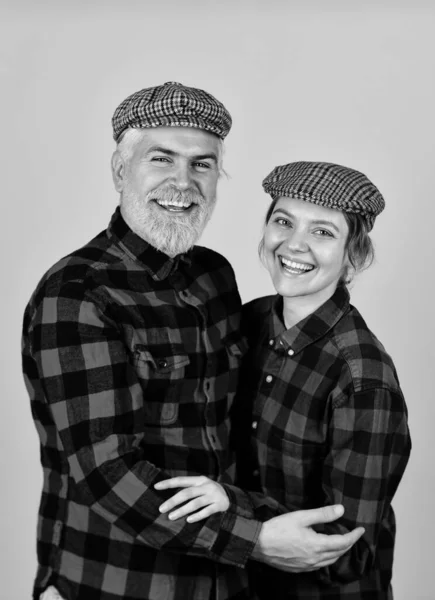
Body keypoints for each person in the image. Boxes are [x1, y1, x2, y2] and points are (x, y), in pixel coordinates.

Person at [22, 83, 363, 600]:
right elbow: (108, 473)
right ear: (120, 169)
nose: (183, 183)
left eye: (202, 165)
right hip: (119, 581)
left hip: (226, 584)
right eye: (162, 159)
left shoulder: (214, 275)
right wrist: (257, 540)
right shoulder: (78, 296)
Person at [157, 161, 411, 599]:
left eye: (323, 232)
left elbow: (347, 549)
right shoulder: (247, 322)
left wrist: (234, 510)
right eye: (283, 221)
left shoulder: (362, 379)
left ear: (355, 254)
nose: (295, 244)